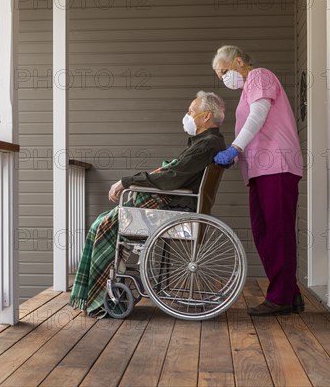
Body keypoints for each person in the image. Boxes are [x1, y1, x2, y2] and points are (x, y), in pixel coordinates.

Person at [70, 91, 227, 316]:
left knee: (102, 225)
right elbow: (175, 174)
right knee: (101, 222)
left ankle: (99, 296)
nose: (187, 115)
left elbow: (171, 178)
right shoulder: (209, 143)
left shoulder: (206, 144)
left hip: (173, 210)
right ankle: (102, 287)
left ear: (206, 117)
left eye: (191, 111)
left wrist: (127, 182)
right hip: (176, 205)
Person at [212, 45, 305, 316]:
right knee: (265, 232)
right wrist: (237, 156)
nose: (223, 79)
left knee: (277, 231)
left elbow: (258, 116)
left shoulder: (259, 76)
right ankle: (291, 293)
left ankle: (280, 297)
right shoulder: (247, 90)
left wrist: (235, 148)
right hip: (260, 170)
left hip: (276, 164)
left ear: (238, 61)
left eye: (224, 72)